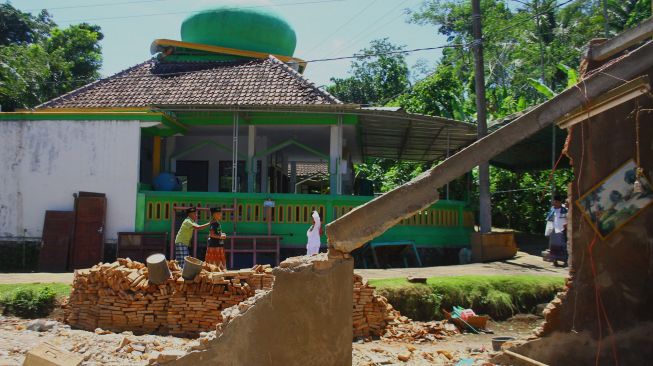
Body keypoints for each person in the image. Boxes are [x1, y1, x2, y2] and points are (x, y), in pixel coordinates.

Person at [546, 195, 568, 267]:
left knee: (563, 246)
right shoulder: (552, 209)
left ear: (560, 202)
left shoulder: (564, 209)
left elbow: (566, 219)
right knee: (553, 246)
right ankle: (554, 261)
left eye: (556, 202)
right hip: (554, 229)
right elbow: (549, 220)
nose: (555, 204)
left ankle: (565, 261)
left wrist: (566, 228)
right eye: (554, 202)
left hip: (562, 230)